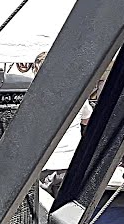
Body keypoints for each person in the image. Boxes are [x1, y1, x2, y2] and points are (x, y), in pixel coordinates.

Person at [34, 52, 93, 197]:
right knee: (64, 211)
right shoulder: (77, 93)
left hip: (44, 163)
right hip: (70, 162)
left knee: (40, 212)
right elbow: (87, 119)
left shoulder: (34, 97)